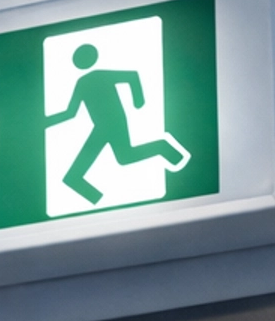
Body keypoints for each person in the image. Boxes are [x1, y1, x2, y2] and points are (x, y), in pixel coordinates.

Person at [46, 40, 190, 204]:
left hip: (114, 122)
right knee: (122, 157)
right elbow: (71, 112)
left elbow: (131, 76)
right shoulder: (82, 82)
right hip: (101, 126)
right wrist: (45, 122)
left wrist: (138, 100)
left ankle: (164, 149)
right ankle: (99, 203)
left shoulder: (100, 75)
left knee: (78, 174)